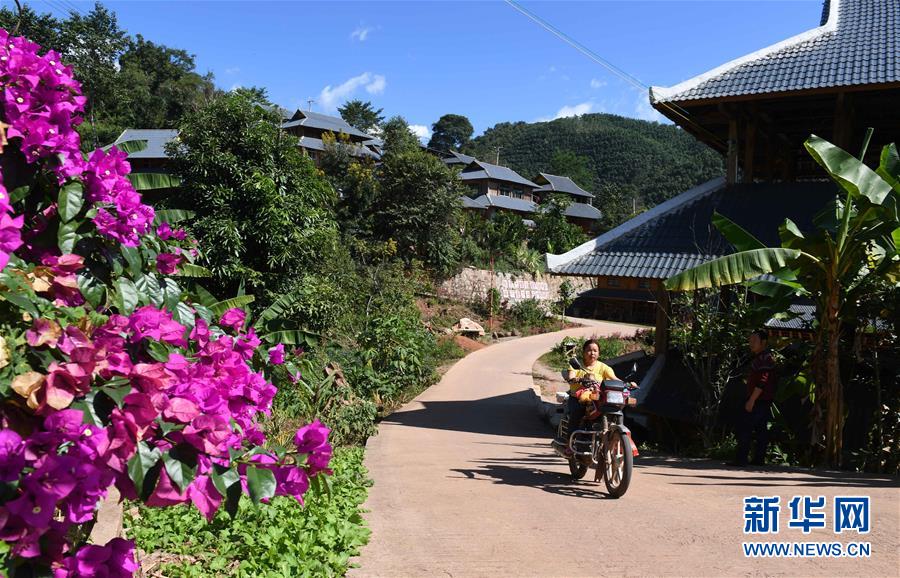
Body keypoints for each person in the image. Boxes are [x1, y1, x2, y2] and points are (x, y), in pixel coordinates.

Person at [563, 339, 631, 451]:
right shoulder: (576, 365)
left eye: (595, 350)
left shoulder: (604, 367)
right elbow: (571, 377)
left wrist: (627, 384)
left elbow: (615, 379)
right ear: (583, 352)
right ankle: (568, 445)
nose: (592, 353)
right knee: (576, 413)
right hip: (577, 398)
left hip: (596, 398)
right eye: (589, 350)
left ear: (599, 353)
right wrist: (578, 379)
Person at [731, 329, 777, 467]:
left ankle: (742, 459)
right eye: (750, 340)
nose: (751, 343)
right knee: (760, 429)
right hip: (762, 399)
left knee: (746, 428)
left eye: (754, 341)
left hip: (759, 400)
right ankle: (758, 459)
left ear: (763, 342)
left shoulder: (764, 359)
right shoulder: (761, 358)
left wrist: (752, 399)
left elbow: (763, 381)